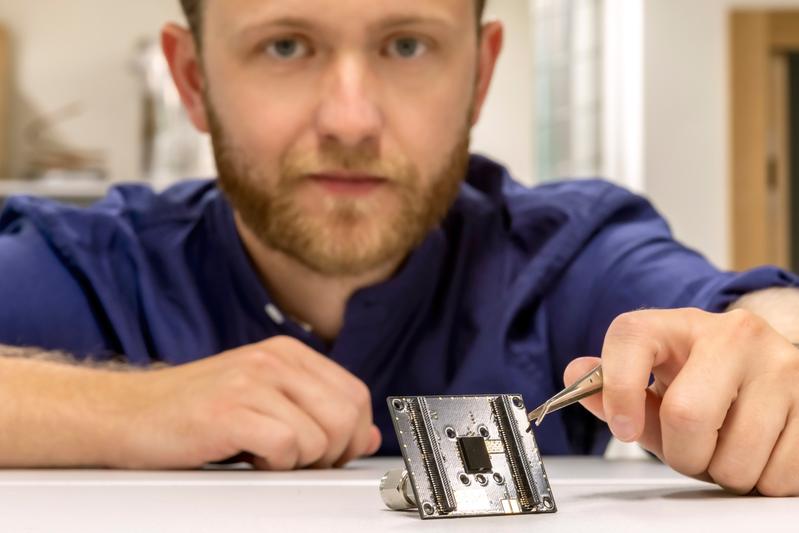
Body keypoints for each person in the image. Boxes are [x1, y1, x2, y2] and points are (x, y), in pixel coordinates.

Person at [0, 0, 797, 496]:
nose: (350, 121)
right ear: (193, 78)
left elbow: (747, 315)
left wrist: (770, 355)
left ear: (479, 75)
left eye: (406, 45)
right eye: (285, 46)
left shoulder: (566, 251)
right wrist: (125, 407)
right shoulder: (92, 265)